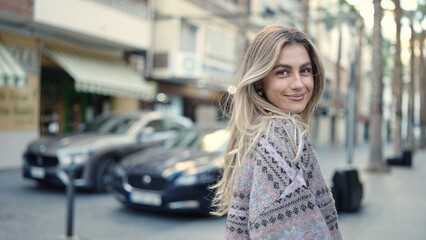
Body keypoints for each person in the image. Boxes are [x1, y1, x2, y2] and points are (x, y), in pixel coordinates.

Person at [211, 24, 343, 239]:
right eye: (283, 72)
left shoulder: (256, 134)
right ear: (260, 81)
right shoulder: (281, 135)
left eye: (305, 70)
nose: (298, 83)